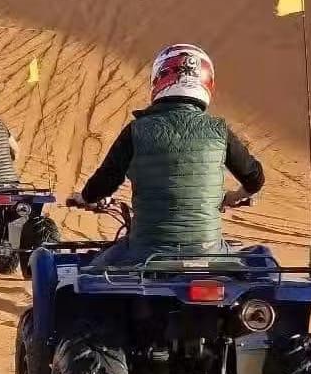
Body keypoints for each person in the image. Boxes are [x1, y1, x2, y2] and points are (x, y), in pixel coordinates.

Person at [68, 43, 265, 269]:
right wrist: (233, 196)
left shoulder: (137, 130)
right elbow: (255, 178)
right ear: (207, 82)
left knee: (88, 273)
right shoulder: (219, 129)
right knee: (258, 260)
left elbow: (105, 181)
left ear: (159, 79)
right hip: (209, 252)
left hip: (145, 251)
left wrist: (86, 197)